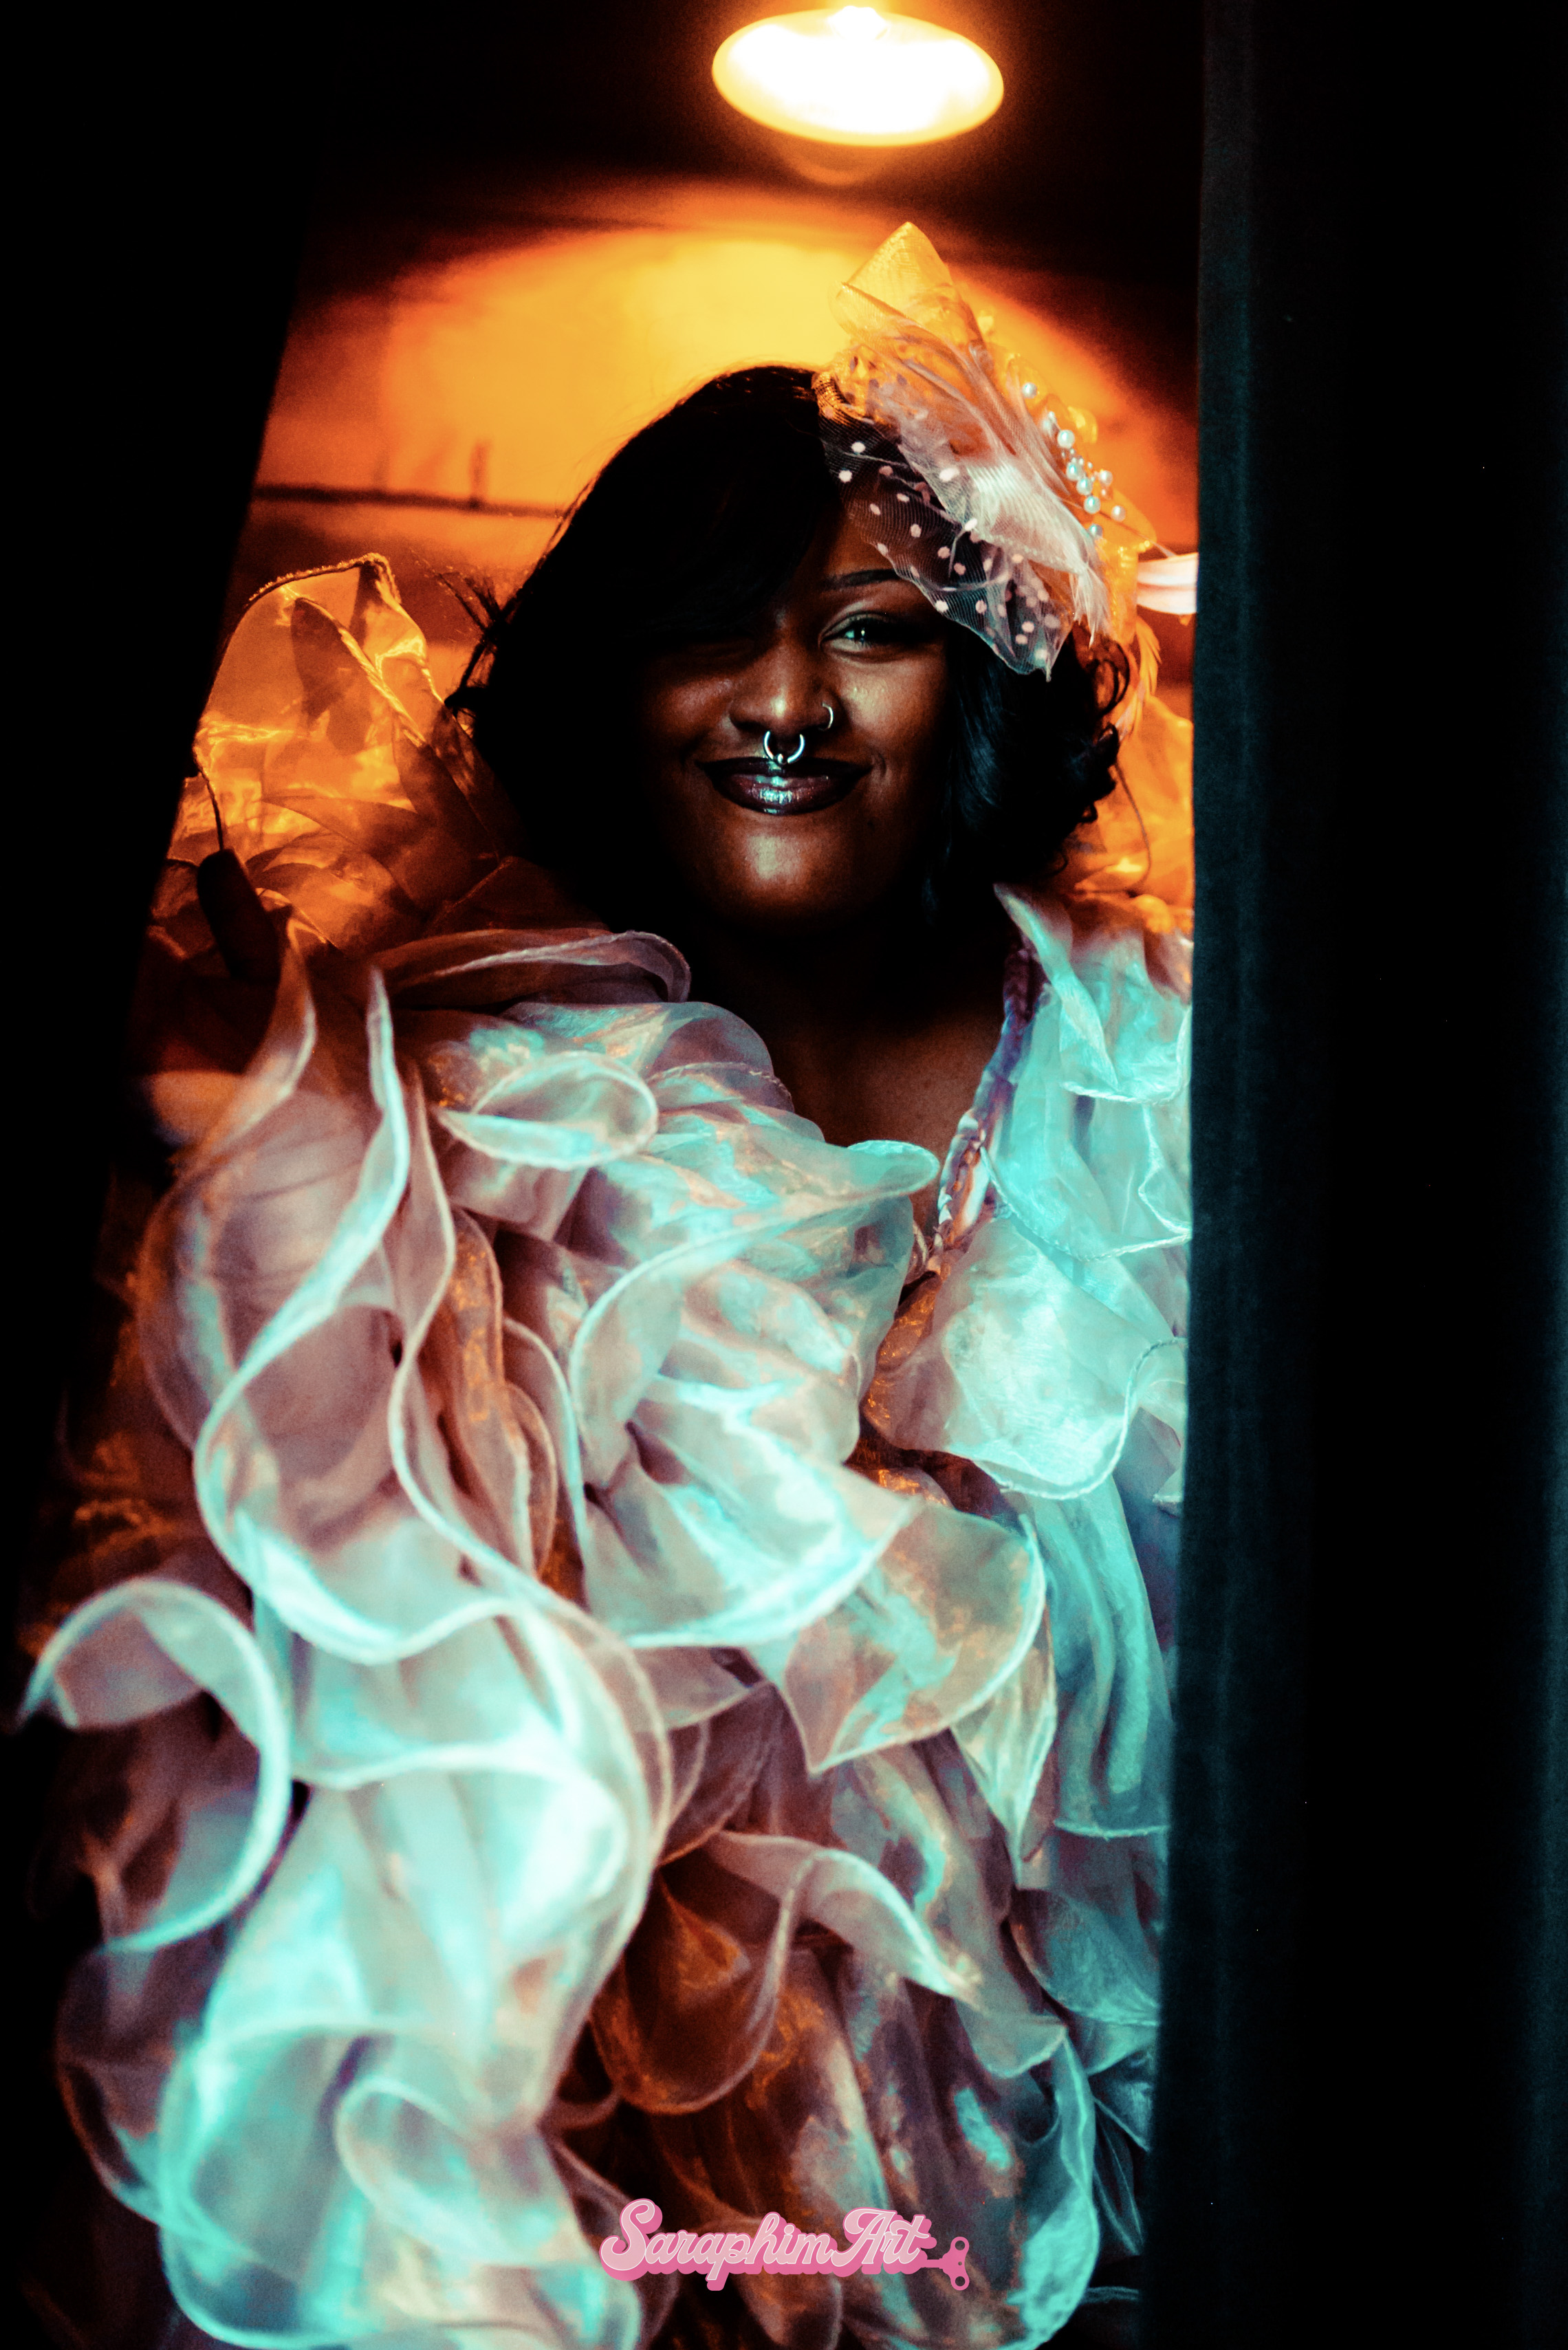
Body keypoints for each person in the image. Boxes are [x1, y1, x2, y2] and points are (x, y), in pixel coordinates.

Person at [20, 226, 1195, 2349]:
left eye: (871, 632)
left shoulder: (1171, 1069)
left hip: (1092, 2183)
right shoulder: (453, 1103)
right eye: (705, 638)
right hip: (616, 2188)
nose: (785, 704)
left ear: (983, 678)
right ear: (607, 685)